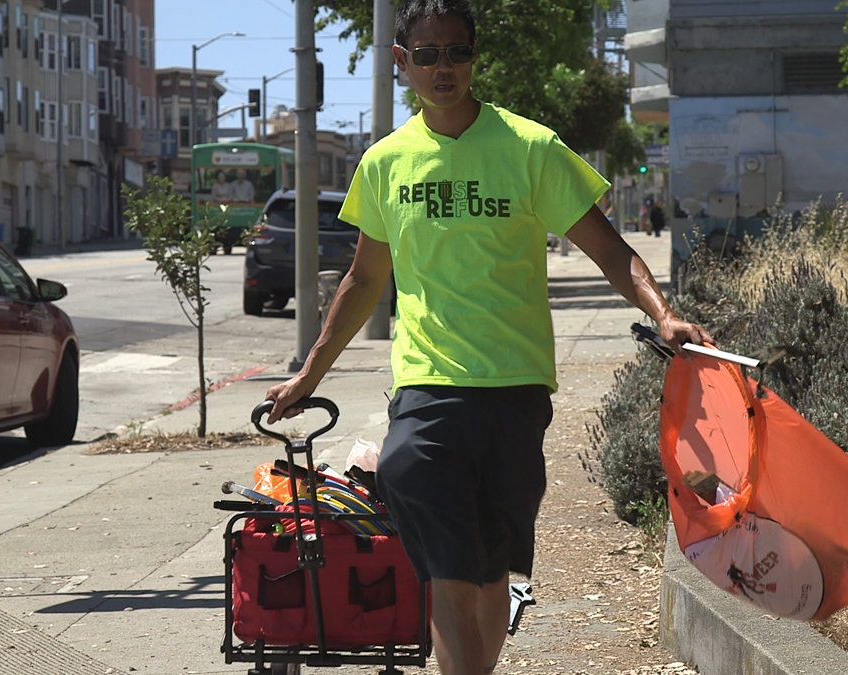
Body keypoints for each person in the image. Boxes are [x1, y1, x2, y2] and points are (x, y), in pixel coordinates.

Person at [262, 2, 711, 674]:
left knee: (491, 570)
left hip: (514, 387)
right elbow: (363, 279)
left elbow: (609, 250)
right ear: (402, 61)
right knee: (442, 554)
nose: (443, 67)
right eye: (427, 54)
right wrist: (309, 374)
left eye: (457, 52)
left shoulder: (530, 148)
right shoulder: (384, 163)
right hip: (427, 387)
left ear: (475, 57)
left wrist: (664, 311)